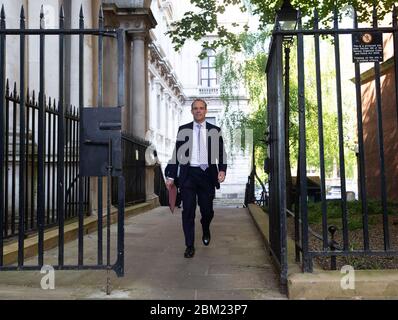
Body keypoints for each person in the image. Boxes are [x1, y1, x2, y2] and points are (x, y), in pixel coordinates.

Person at [165, 98, 227, 258]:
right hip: (189, 175)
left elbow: (221, 153)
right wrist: (171, 175)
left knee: (207, 211)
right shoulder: (183, 130)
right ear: (191, 111)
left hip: (207, 176)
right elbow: (176, 155)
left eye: (201, 108)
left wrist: (222, 170)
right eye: (195, 108)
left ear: (206, 110)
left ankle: (205, 227)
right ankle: (189, 245)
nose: (198, 111)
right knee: (188, 211)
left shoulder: (214, 130)